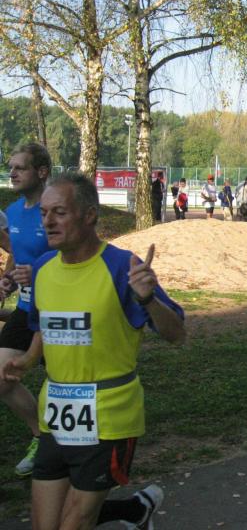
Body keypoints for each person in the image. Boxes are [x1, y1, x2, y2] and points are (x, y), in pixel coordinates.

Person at [1, 171, 185, 530]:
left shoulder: (122, 267)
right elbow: (44, 325)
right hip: (56, 415)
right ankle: (137, 510)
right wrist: (28, 358)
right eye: (44, 213)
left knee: (75, 523)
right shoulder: (42, 269)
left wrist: (148, 300)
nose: (48, 222)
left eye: (60, 213)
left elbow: (177, 334)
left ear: (89, 215)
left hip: (108, 415)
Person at [0, 143, 51, 476]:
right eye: (11, 167)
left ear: (41, 172)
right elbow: (17, 256)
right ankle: (40, 437)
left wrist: (39, 273)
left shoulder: (56, 210)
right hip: (26, 309)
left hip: (59, 311)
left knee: (67, 384)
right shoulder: (14, 212)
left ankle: (83, 447)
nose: (13, 173)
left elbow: (76, 256)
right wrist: (7, 281)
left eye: (20, 167)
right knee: (1, 377)